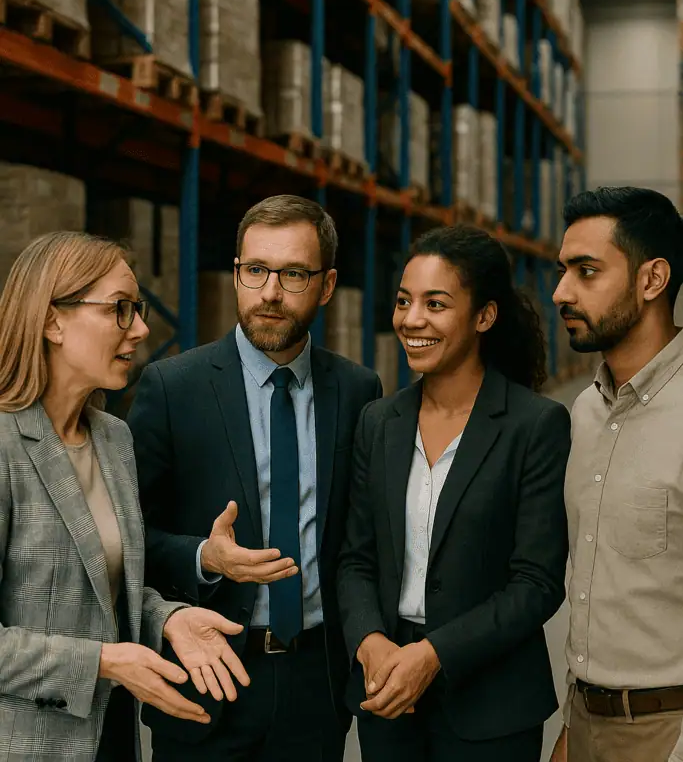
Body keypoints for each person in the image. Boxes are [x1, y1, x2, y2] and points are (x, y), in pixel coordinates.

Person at [127, 194, 383, 761]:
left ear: (327, 283)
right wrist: (203, 557)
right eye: (255, 270)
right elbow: (125, 540)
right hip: (208, 673)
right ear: (238, 272)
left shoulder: (358, 390)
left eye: (293, 274)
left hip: (314, 683)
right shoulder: (173, 388)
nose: (270, 291)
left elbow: (358, 540)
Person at [0, 231, 250, 762]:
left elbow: (107, 592)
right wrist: (106, 663)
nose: (140, 329)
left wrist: (168, 617)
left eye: (137, 309)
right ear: (52, 320)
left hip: (111, 738)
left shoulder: (113, 439)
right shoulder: (4, 446)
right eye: (120, 309)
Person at [337, 225, 571, 762]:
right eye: (403, 301)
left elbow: (535, 582)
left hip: (490, 707)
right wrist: (370, 643)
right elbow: (356, 558)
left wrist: (435, 654)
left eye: (435, 304)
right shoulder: (379, 422)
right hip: (389, 695)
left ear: (484, 316)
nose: (412, 320)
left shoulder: (534, 425)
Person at [551, 187, 683, 762]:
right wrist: (571, 728)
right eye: (563, 271)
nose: (561, 292)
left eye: (586, 271)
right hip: (585, 723)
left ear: (652, 280)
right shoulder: (585, 412)